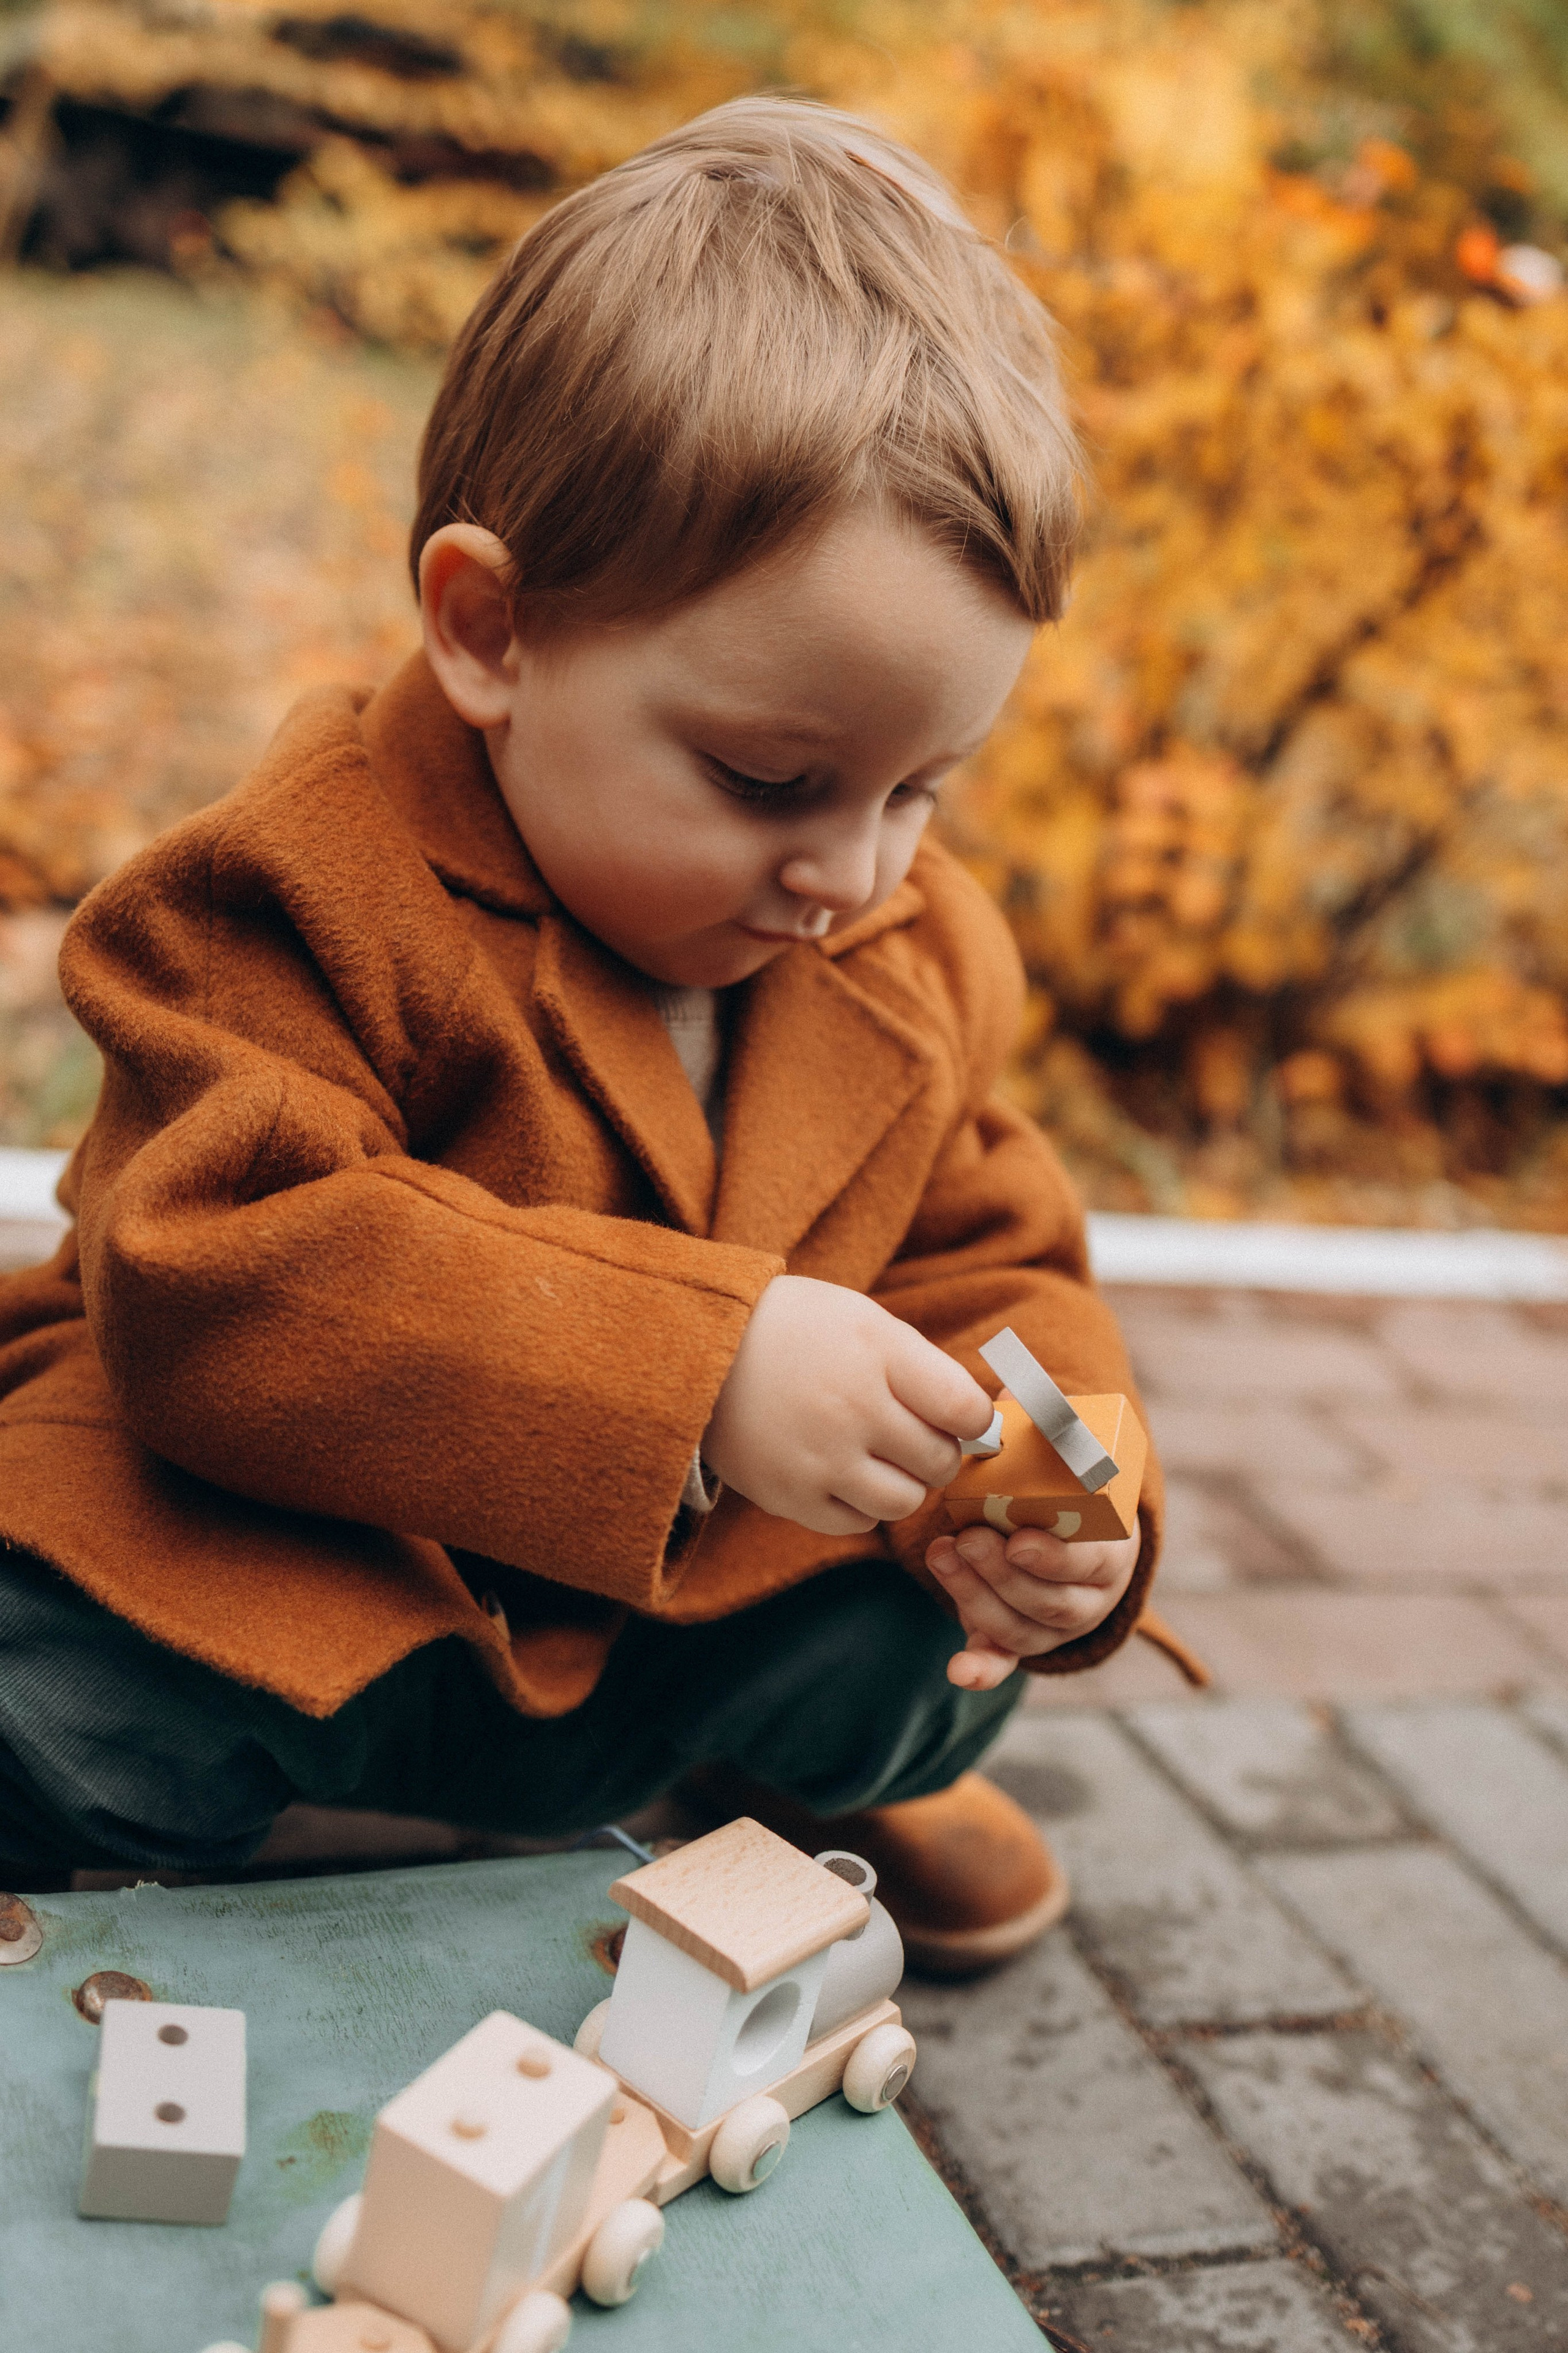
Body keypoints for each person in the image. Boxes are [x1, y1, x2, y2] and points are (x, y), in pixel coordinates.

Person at [0, 97, 1165, 1974]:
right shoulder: (292, 884)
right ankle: (248, 1846)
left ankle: (776, 1791)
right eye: (771, 776)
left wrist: (1060, 1494)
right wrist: (692, 1374)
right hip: (334, 1568)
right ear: (493, 630)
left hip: (653, 1614)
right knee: (55, 1673)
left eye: (921, 788)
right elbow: (216, 1269)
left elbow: (993, 1253)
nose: (848, 868)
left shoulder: (906, 943)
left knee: (916, 1659)